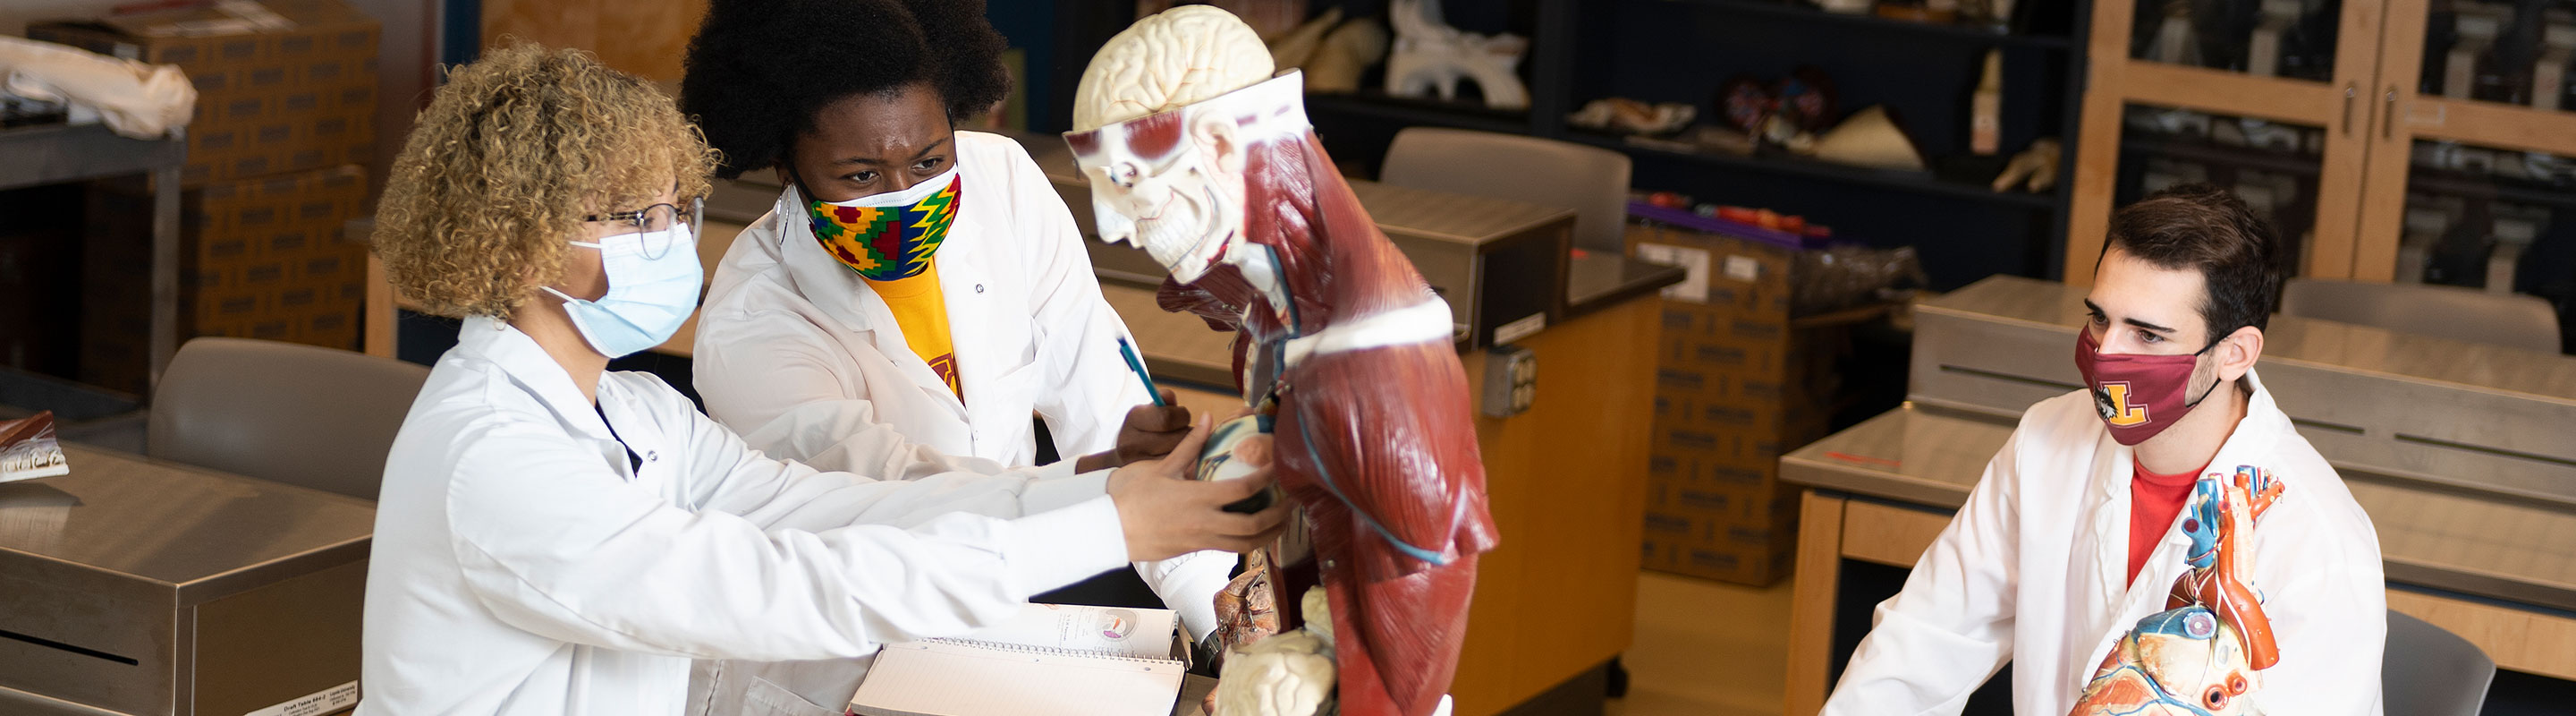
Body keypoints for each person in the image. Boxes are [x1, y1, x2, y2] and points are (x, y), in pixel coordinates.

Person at [357, 44, 1285, 715]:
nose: (673, 240)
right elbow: (784, 582)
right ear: (517, 242)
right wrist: (1108, 523)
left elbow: (838, 505)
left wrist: (1090, 484)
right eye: (633, 217)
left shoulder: (634, 413)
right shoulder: (494, 458)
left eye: (675, 207)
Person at [677, 0, 1226, 624]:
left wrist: (1211, 606)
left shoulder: (1003, 182)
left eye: (930, 161)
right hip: (858, 626)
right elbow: (887, 497)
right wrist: (1102, 486)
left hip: (1014, 595)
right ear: (786, 169)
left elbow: (1100, 396)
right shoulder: (754, 317)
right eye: (860, 176)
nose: (905, 197)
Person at [1822, 184, 2385, 715]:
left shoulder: (2317, 539)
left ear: (2235, 353)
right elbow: (1925, 640)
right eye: (2099, 318)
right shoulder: (2048, 439)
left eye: (2147, 335)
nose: (2106, 354)